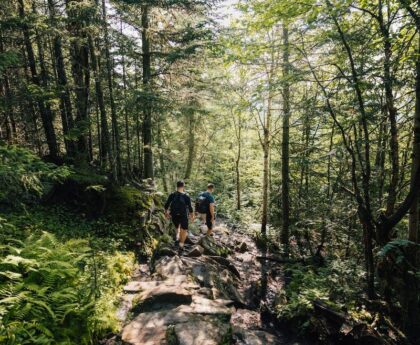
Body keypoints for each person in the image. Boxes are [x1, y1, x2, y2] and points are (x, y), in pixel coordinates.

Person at [164, 180, 194, 252]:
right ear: (183, 186)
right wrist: (192, 216)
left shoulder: (172, 194)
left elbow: (166, 205)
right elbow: (190, 207)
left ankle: (177, 239)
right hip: (183, 215)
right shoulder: (186, 196)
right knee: (184, 230)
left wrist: (166, 213)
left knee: (177, 227)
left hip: (174, 214)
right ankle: (181, 245)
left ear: (177, 186)